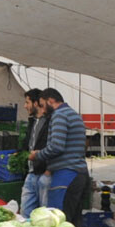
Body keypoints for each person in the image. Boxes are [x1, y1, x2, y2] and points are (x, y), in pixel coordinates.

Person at [31, 88, 89, 218]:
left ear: (50, 101)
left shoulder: (59, 115)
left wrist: (37, 155)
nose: (43, 110)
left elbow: (56, 146)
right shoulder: (73, 114)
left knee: (59, 220)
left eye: (42, 105)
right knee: (73, 221)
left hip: (66, 175)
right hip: (79, 174)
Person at [20, 89, 52, 216]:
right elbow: (28, 144)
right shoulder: (32, 121)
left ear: (36, 103)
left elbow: (52, 148)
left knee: (44, 214)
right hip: (31, 173)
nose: (25, 106)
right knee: (25, 211)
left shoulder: (50, 121)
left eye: (27, 102)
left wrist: (48, 170)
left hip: (44, 173)